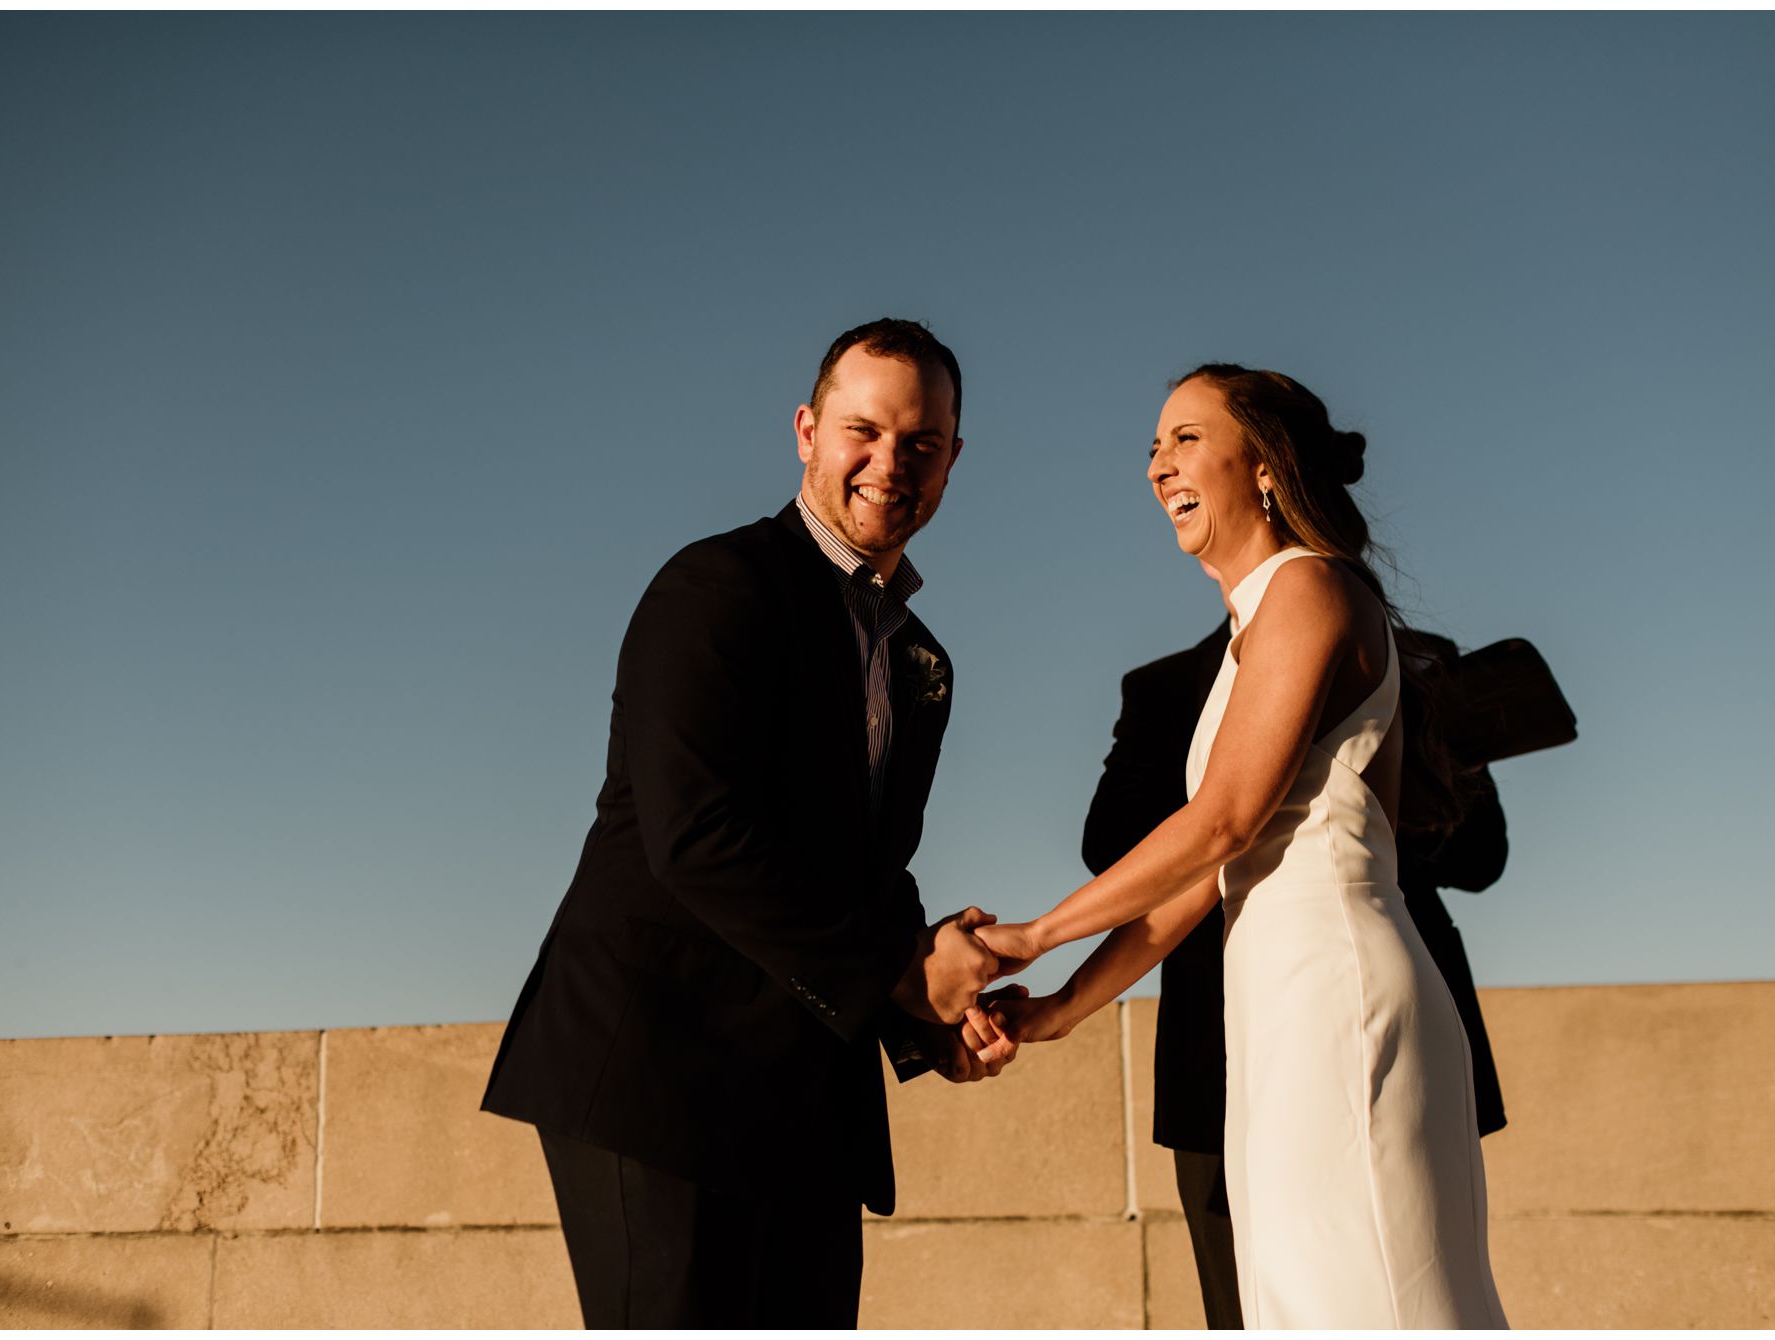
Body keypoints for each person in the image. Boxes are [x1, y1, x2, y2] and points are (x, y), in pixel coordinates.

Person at [481, 319, 1009, 1329]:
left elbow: (869, 872)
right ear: (807, 431)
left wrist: (928, 1011)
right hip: (657, 1072)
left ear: (950, 458)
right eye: (862, 430)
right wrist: (897, 970)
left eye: (921, 443)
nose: (888, 463)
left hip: (800, 1092)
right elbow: (696, 835)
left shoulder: (920, 660)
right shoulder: (715, 585)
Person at [971, 364, 1507, 1328]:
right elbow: (1203, 882)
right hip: (1274, 1002)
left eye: (1184, 438)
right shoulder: (1252, 627)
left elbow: (1221, 819)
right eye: (1151, 447)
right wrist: (1061, 1010)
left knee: (1364, 1298)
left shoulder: (1310, 588)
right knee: (1298, 1302)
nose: (1156, 466)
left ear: (1264, 465)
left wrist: (1032, 935)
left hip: (1334, 989)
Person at [1081, 571, 1511, 1330]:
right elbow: (1108, 844)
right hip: (1216, 1033)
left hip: (1379, 996)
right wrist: (1246, 784)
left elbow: (1482, 857)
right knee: (1244, 1303)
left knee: (1415, 1273)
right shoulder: (1167, 686)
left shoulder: (1419, 667)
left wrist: (1380, 806)